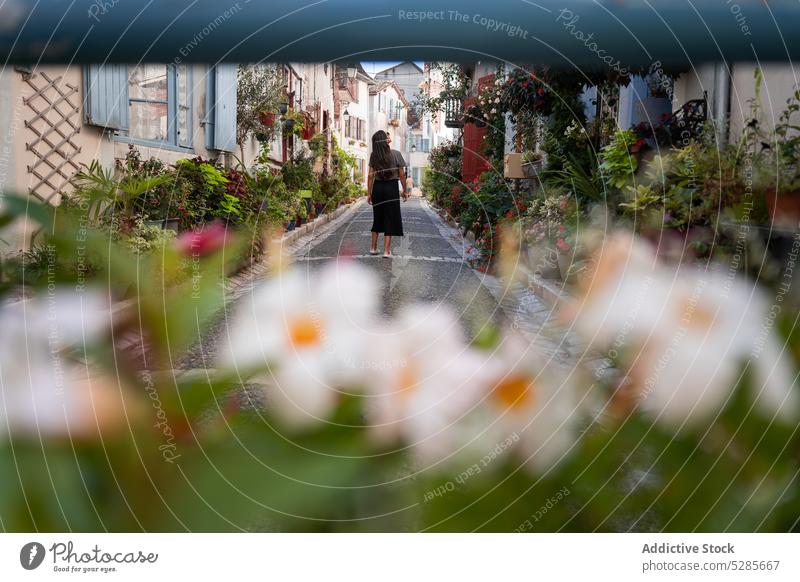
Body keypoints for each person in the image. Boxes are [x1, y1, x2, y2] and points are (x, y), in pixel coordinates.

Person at [368, 130, 409, 257]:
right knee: (390, 219)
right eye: (386, 136)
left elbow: (370, 176)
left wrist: (369, 193)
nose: (388, 137)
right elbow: (402, 175)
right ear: (384, 140)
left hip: (378, 188)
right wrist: (405, 191)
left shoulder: (374, 155)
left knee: (377, 218)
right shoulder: (396, 154)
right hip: (391, 188)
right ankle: (386, 251)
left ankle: (373, 248)